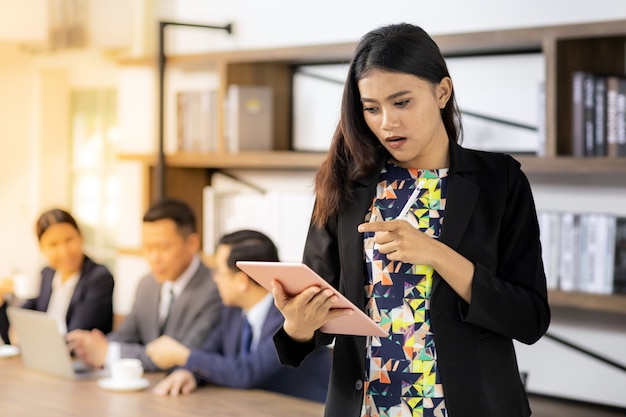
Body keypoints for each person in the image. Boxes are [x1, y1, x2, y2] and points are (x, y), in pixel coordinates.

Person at [271, 23, 551, 417]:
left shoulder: (499, 182)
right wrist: (298, 326)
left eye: (402, 102)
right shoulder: (346, 185)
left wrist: (437, 254)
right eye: (371, 108)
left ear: (442, 92)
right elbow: (320, 311)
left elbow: (530, 319)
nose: (387, 122)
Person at [148, 230, 331, 403]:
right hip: (254, 407)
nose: (215, 279)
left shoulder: (291, 316)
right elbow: (209, 351)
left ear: (242, 281)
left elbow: (247, 373)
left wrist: (183, 356)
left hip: (306, 409)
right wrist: (188, 372)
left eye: (218, 272)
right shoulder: (233, 311)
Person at [67, 198, 222, 372]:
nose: (154, 258)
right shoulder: (147, 284)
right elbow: (126, 334)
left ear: (192, 243)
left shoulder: (216, 288)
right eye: (148, 248)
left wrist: (109, 352)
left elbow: (182, 356)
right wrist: (93, 345)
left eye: (163, 248)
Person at [0, 208, 114, 345]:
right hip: (44, 355)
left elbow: (76, 335)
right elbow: (19, 323)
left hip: (78, 359)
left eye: (69, 240)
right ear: (42, 248)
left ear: (81, 237)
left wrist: (29, 337)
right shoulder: (46, 275)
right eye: (53, 244)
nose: (64, 251)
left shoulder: (99, 278)